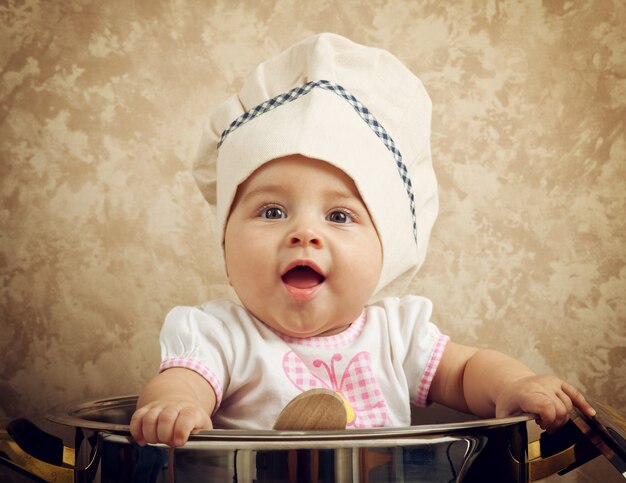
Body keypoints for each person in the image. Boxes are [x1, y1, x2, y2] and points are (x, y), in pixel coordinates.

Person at [130, 33, 595, 448]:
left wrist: (514, 384)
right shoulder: (221, 334)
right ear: (225, 244)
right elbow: (183, 380)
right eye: (272, 211)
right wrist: (175, 406)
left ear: (384, 252)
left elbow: (467, 370)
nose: (304, 233)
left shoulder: (395, 334)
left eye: (339, 215)